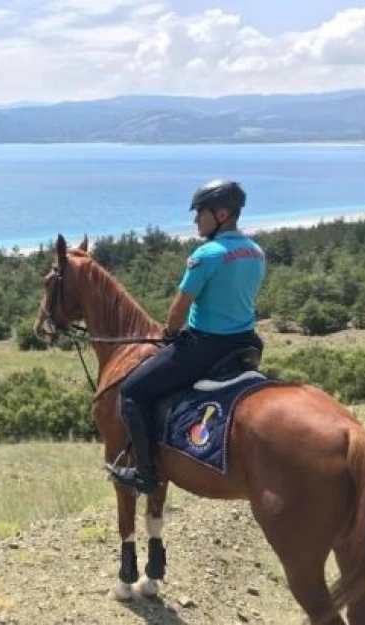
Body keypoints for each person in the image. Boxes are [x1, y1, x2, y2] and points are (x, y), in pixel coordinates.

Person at [109, 180, 267, 494]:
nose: (196, 220)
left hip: (205, 347)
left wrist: (169, 333)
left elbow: (179, 308)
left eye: (200, 213)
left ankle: (146, 474)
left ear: (221, 214)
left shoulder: (206, 254)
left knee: (131, 393)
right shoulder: (256, 251)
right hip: (246, 344)